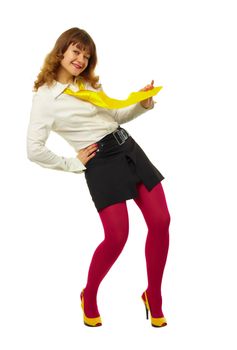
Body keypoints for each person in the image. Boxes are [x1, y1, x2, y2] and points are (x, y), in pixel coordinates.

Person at [26, 27, 171, 328]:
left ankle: (153, 295)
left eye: (86, 55)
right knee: (117, 236)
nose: (81, 59)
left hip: (128, 149)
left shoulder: (86, 85)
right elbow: (33, 149)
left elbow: (114, 118)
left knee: (161, 221)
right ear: (61, 51)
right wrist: (71, 163)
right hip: (100, 164)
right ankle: (88, 295)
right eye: (76, 51)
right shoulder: (45, 98)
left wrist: (142, 104)